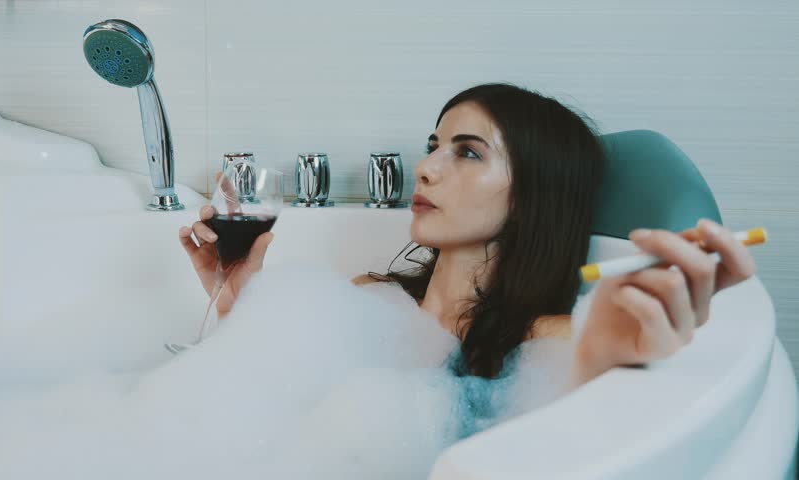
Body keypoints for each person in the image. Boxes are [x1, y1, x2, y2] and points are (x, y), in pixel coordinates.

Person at [177, 83, 756, 389]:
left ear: (534, 195)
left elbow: (606, 366)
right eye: (435, 144)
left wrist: (634, 341)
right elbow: (260, 404)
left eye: (468, 153)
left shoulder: (544, 343)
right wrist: (238, 304)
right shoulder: (367, 299)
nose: (427, 167)